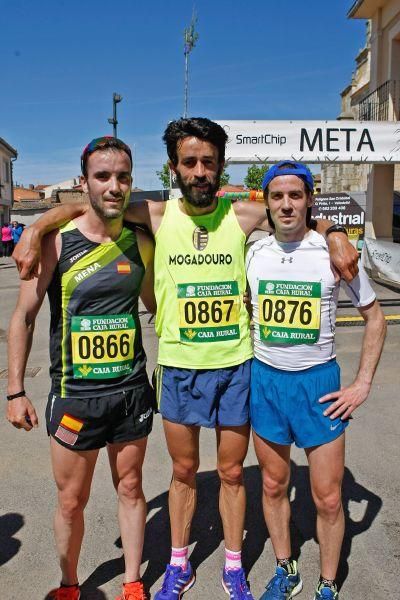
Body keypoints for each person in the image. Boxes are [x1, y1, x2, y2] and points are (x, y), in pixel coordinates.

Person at [12, 118, 359, 600]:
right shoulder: (155, 214)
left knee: (234, 474)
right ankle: (178, 563)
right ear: (174, 168)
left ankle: (234, 565)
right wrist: (38, 226)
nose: (199, 171)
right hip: (177, 367)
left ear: (220, 167)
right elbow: (90, 203)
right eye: (190, 162)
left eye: (209, 163)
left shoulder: (242, 215)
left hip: (235, 365)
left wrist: (335, 230)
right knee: (182, 472)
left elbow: (295, 213)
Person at [7, 136, 156, 600]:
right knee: (71, 501)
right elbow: (24, 316)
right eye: (103, 176)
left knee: (130, 487)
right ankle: (69, 585)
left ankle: (133, 582)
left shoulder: (141, 242)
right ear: (84, 181)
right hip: (75, 397)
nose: (114, 186)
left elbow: (158, 306)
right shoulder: (56, 242)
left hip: (131, 391)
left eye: (123, 176)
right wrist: (15, 390)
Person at [245, 161, 386, 600]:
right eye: (277, 196)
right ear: (267, 202)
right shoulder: (254, 253)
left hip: (317, 384)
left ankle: (327, 584)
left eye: (295, 195)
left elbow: (375, 319)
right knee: (272, 485)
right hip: (266, 382)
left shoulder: (334, 253)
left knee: (327, 498)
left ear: (309, 200)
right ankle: (286, 570)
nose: (286, 204)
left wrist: (362, 384)